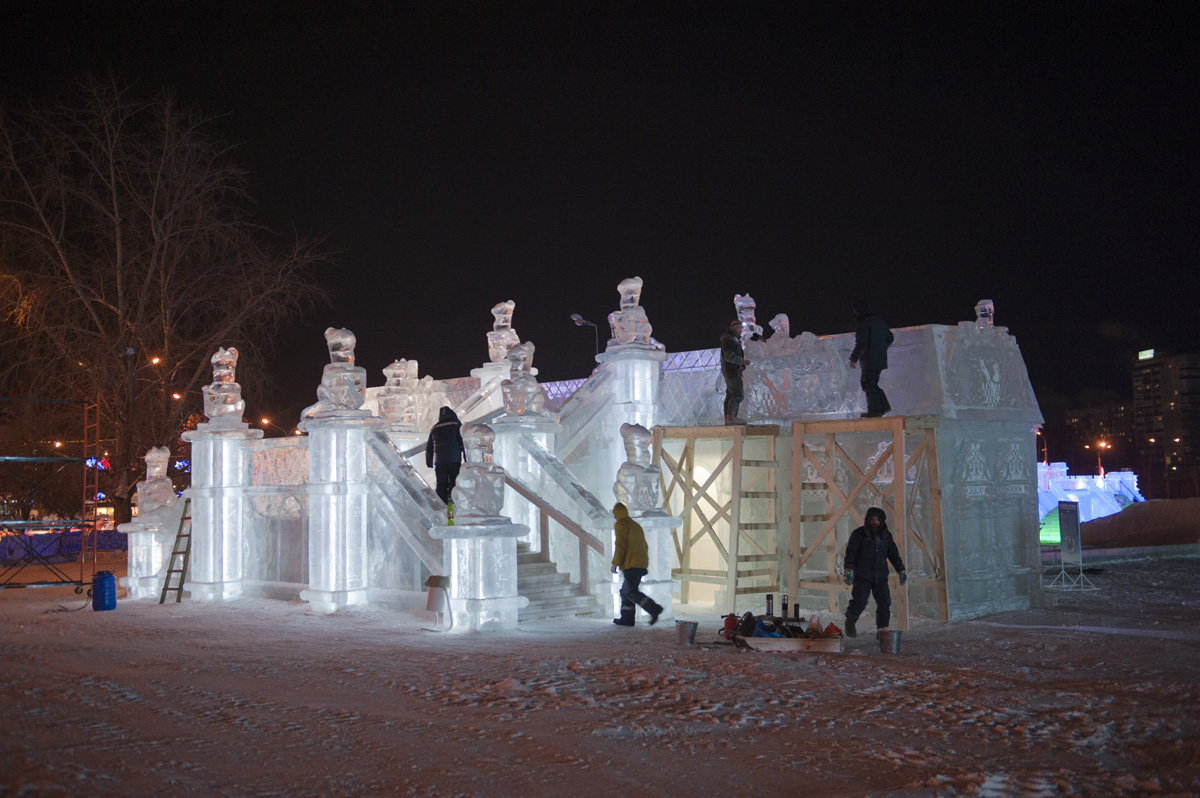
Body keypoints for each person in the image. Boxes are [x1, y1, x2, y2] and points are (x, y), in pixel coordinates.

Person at [842, 506, 907, 638]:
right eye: (872, 519)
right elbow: (851, 553)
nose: (875, 522)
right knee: (859, 602)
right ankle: (850, 621)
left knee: (884, 603)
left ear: (882, 521)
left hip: (880, 576)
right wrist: (848, 569)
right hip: (863, 576)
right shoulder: (858, 534)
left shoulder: (886, 536)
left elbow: (894, 555)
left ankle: (882, 631)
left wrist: (901, 569)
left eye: (877, 519)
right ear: (868, 520)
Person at [611, 502, 663, 626]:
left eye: (614, 514)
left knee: (629, 591)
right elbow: (644, 545)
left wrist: (615, 563)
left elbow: (620, 545)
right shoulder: (634, 525)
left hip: (632, 564)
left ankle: (654, 608)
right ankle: (627, 619)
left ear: (616, 514)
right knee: (625, 591)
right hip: (640, 563)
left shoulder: (621, 524)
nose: (614, 517)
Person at [847, 299, 894, 418]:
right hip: (880, 358)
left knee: (867, 384)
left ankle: (875, 411)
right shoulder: (879, 320)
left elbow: (862, 343)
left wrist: (853, 358)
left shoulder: (863, 322)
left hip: (869, 359)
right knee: (872, 383)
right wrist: (881, 348)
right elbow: (890, 338)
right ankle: (882, 406)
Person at [425, 406, 464, 505]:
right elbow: (462, 441)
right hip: (454, 459)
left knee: (441, 484)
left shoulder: (435, 428)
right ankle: (452, 504)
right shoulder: (456, 424)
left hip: (440, 461)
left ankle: (441, 506)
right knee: (454, 482)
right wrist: (466, 457)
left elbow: (429, 446)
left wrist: (429, 461)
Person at [720, 320, 748, 425]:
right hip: (732, 372)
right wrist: (742, 361)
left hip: (731, 371)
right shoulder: (730, 340)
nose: (741, 330)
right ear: (735, 328)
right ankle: (732, 418)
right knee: (738, 394)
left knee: (731, 395)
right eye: (740, 328)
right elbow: (729, 357)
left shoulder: (731, 339)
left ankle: (728, 419)